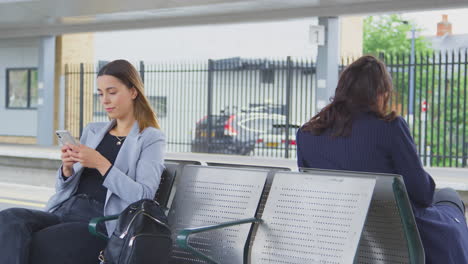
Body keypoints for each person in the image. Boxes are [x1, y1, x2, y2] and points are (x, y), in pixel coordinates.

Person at [296, 55, 468, 263]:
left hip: (341, 236)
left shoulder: (307, 134)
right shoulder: (389, 127)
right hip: (399, 235)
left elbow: (312, 193)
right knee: (449, 197)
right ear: (379, 93)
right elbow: (422, 194)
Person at [0, 59, 166, 264]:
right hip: (65, 209)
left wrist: (101, 163)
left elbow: (143, 196)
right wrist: (67, 169)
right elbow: (64, 186)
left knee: (39, 243)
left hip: (99, 222)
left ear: (133, 92)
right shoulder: (93, 130)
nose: (105, 100)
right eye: (100, 93)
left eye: (112, 92)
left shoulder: (150, 138)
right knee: (8, 219)